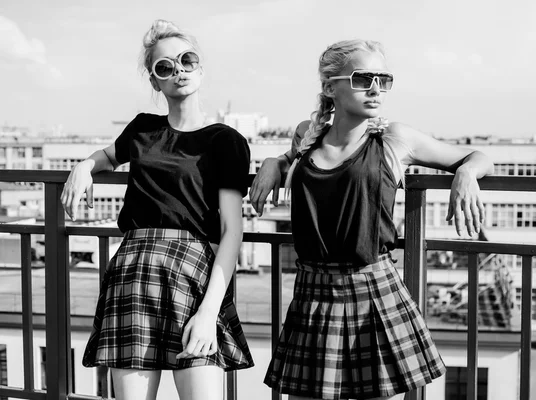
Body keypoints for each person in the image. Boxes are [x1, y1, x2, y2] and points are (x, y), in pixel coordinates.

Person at [250, 40, 494, 400]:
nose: (376, 88)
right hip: (312, 292)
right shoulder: (306, 133)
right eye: (363, 78)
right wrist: (274, 162)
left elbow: (477, 156)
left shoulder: (394, 138)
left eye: (384, 79)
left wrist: (468, 174)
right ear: (330, 87)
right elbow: (291, 158)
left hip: (372, 291)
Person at [60, 20, 254, 400]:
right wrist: (83, 165)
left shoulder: (225, 140)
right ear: (155, 81)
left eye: (187, 59)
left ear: (200, 67)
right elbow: (107, 156)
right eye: (165, 67)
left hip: (192, 274)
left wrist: (209, 313)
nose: (178, 70)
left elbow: (233, 231)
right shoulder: (142, 128)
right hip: (133, 272)